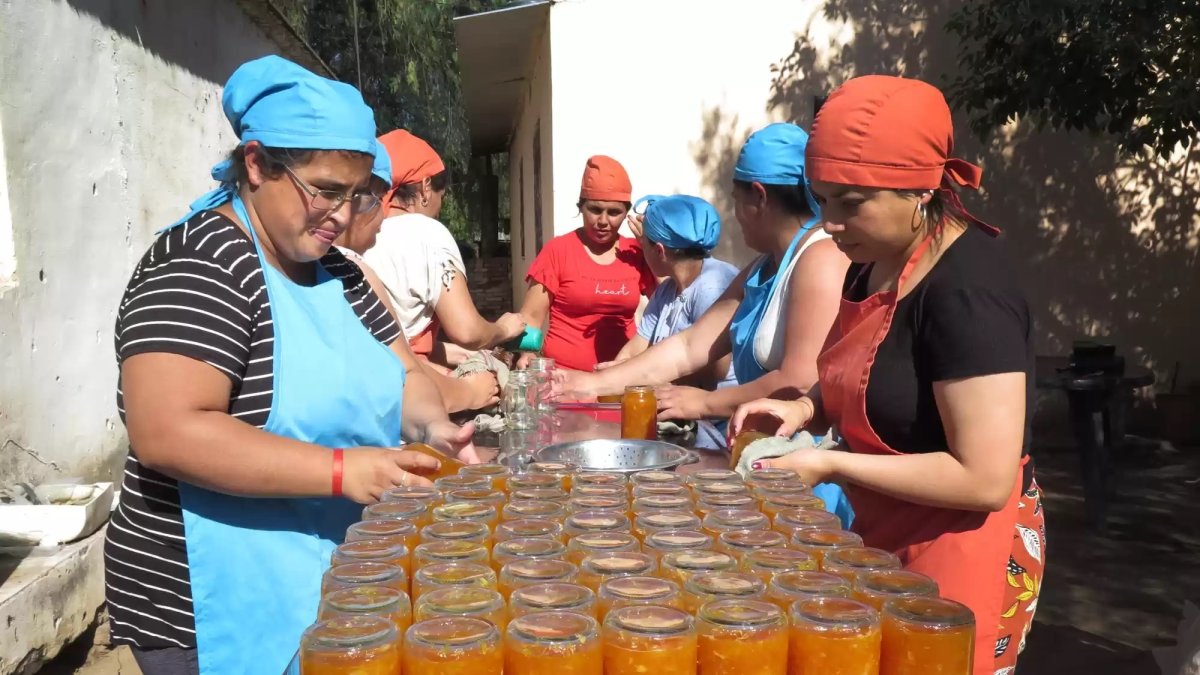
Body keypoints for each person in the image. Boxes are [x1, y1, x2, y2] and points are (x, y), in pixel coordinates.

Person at [105, 56, 477, 675]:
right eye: (325, 190)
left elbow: (406, 375)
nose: (340, 214)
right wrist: (342, 471)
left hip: (327, 579)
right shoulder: (202, 263)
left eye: (355, 195)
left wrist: (434, 431)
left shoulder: (340, 274)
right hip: (213, 599)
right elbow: (167, 431)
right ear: (257, 164)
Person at [730, 75, 1044, 675]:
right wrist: (805, 409)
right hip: (882, 533)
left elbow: (985, 479)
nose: (831, 222)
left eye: (852, 202)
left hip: (961, 550)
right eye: (822, 199)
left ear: (921, 191)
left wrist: (829, 463)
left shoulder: (968, 292)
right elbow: (862, 371)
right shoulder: (870, 262)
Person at [556, 124, 847, 425]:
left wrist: (705, 402)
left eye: (735, 199)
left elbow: (798, 383)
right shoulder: (763, 267)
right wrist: (586, 385)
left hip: (801, 461)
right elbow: (689, 347)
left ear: (759, 197)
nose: (734, 213)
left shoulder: (820, 258)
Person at [363, 129, 526, 361]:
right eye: (443, 195)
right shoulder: (427, 233)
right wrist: (502, 329)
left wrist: (455, 354)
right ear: (425, 187)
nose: (439, 208)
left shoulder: (361, 234)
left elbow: (397, 341)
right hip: (410, 385)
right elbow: (467, 331)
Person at [517, 155, 658, 372]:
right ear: (581, 207)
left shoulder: (635, 252)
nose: (603, 221)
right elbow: (531, 317)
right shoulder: (557, 251)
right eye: (595, 209)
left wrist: (651, 251)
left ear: (626, 214)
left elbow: (672, 301)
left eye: (614, 212)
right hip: (563, 379)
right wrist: (528, 352)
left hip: (622, 377)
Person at [600, 193, 738, 391]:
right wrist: (610, 376)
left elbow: (713, 373)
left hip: (718, 419)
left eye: (643, 244)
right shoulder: (667, 290)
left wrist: (633, 379)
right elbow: (634, 350)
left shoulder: (714, 287)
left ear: (659, 251)